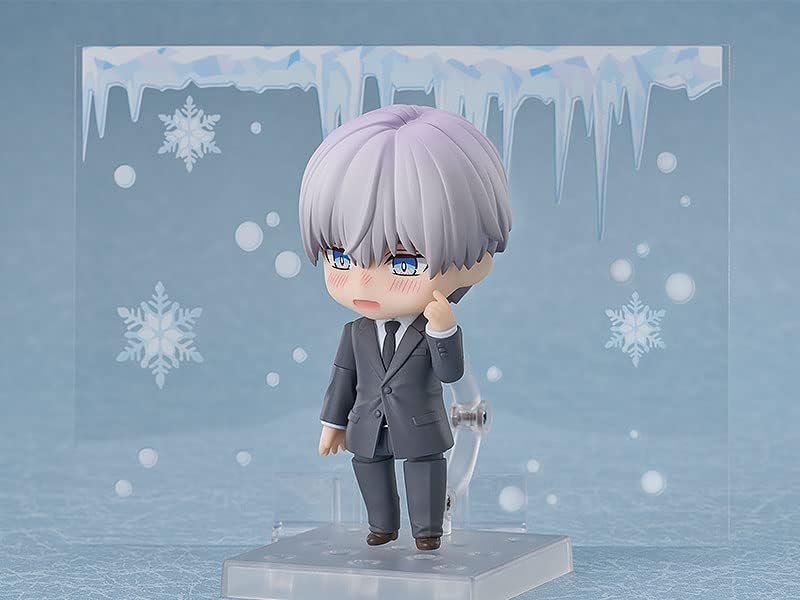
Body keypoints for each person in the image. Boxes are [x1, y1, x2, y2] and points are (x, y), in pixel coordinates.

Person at [298, 104, 511, 550]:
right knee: (368, 468)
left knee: (424, 472)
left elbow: (451, 375)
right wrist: (332, 422)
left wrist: (443, 331)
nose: (363, 282)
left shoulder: (431, 326)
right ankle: (382, 526)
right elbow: (342, 379)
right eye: (341, 257)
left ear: (477, 257)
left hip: (420, 425)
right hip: (366, 426)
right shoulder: (355, 333)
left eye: (404, 262)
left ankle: (427, 531)